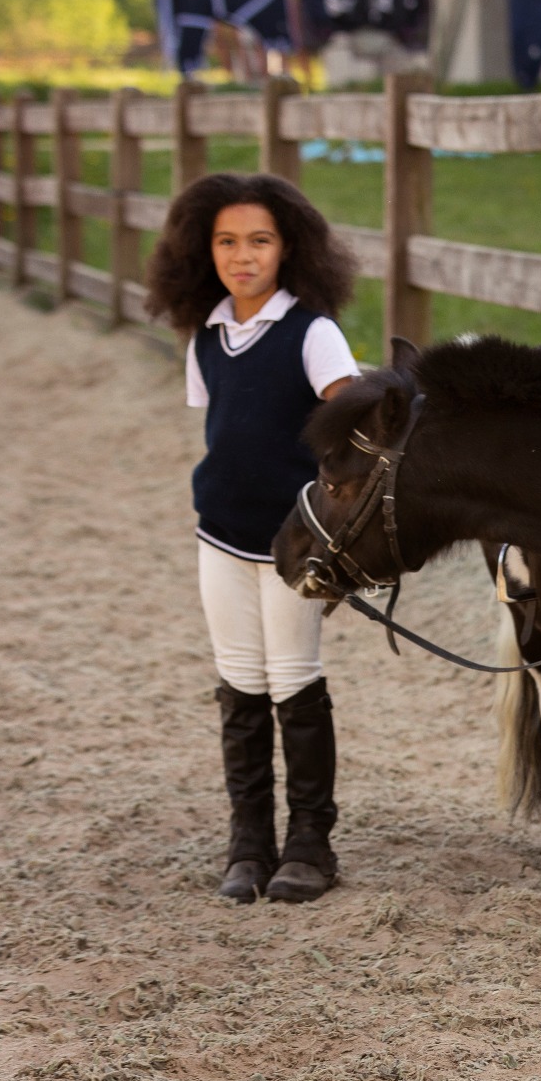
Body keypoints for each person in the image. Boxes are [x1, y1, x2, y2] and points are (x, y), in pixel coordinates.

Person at [144, 173, 362, 904]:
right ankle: (248, 844)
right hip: (220, 536)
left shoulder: (314, 333)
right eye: (227, 242)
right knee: (240, 683)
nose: (243, 257)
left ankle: (309, 845)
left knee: (294, 679)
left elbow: (356, 429)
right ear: (204, 250)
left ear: (288, 248)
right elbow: (221, 430)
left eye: (259, 241)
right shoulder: (205, 334)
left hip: (293, 542)